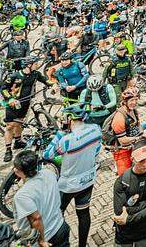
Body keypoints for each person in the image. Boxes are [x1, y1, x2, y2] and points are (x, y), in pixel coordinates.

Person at [44, 104, 103, 247]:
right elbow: (97, 151)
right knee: (83, 214)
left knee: (56, 216)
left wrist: (59, 133)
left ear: (70, 118)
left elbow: (48, 154)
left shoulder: (67, 139)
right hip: (88, 180)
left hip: (68, 185)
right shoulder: (96, 130)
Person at [12, 150, 70, 247]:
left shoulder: (22, 196)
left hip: (45, 238)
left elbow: (36, 219)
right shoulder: (49, 173)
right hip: (60, 226)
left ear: (18, 171)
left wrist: (41, 241)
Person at [112, 140, 146, 247]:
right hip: (126, 233)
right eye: (141, 160)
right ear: (133, 160)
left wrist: (130, 215)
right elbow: (119, 213)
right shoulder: (122, 182)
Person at [0, 55, 49, 162]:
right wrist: (10, 99)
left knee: (20, 122)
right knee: (9, 126)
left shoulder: (35, 74)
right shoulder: (14, 76)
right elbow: (3, 89)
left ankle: (18, 141)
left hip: (25, 102)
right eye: (35, 64)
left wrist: (53, 84)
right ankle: (8, 150)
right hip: (13, 103)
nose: (37, 66)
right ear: (28, 65)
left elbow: (45, 80)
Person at [111, 87, 146, 175]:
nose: (134, 103)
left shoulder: (134, 111)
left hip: (133, 146)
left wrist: (142, 133)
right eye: (132, 100)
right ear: (125, 101)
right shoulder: (119, 117)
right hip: (122, 151)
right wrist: (139, 137)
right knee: (125, 176)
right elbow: (122, 140)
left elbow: (138, 124)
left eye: (136, 100)